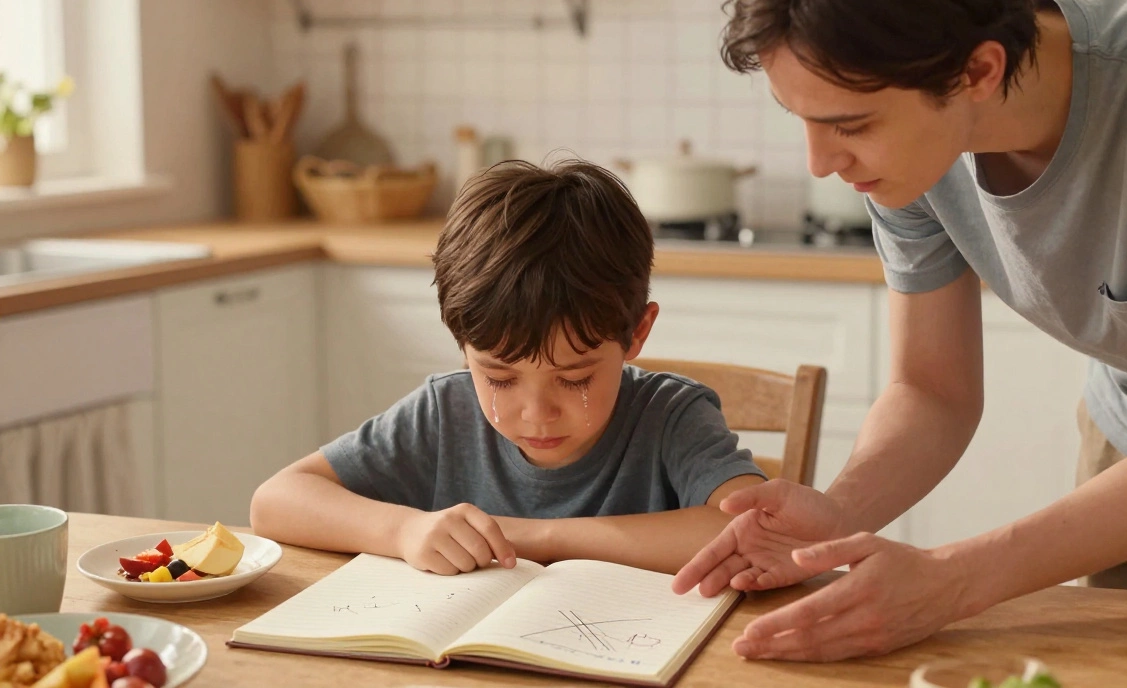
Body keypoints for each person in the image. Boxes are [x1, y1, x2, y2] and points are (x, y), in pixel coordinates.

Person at [671, 0, 1127, 687]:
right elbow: (932, 390)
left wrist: (950, 581)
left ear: (979, 71)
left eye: (851, 125)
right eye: (800, 118)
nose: (821, 163)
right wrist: (839, 512)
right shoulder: (912, 145)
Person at [251, 159, 765, 576]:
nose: (536, 414)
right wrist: (403, 530)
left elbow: (756, 528)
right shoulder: (444, 413)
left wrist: (537, 536)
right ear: (462, 346)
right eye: (499, 377)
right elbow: (275, 501)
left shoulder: (672, 416)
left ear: (637, 333)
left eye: (574, 378)